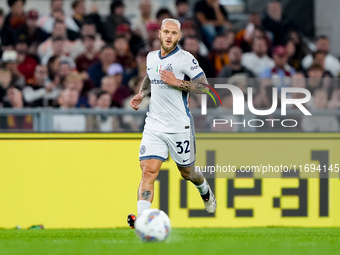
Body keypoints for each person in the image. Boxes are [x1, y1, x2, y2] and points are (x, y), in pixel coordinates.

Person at [127, 18, 216, 228]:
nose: (169, 36)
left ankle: (204, 189)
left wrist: (177, 82)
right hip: (154, 124)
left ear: (179, 36)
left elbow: (205, 88)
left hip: (179, 126)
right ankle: (143, 221)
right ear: (159, 33)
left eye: (174, 33)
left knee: (188, 173)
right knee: (148, 171)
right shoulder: (150, 57)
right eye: (166, 32)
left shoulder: (185, 59)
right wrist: (142, 93)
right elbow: (150, 77)